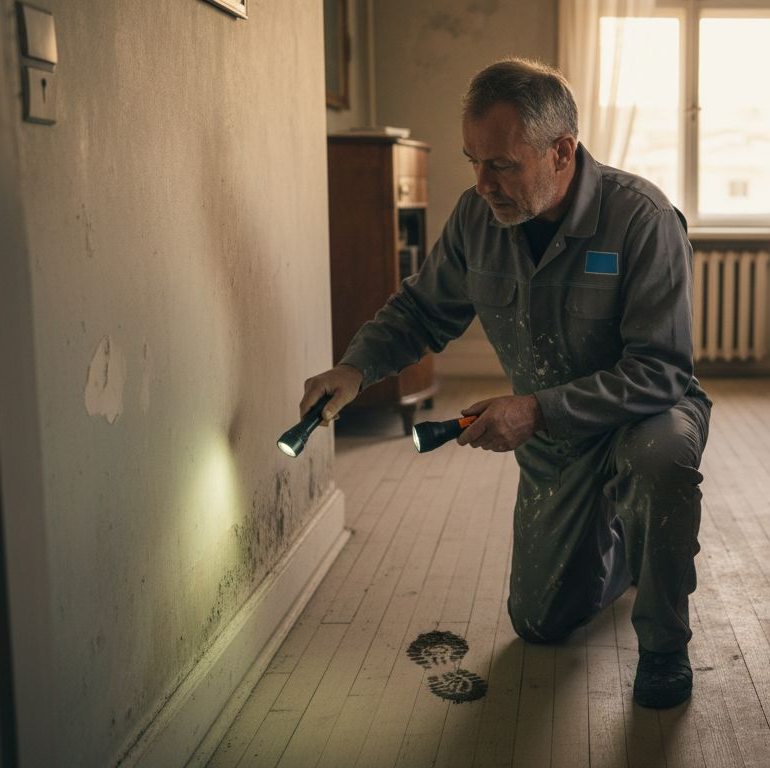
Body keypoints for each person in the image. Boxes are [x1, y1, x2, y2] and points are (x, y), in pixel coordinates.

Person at [299, 58, 710, 709]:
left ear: (562, 151)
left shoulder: (642, 220)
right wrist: (355, 368)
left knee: (656, 462)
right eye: (473, 162)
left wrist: (536, 411)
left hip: (645, 414)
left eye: (501, 165)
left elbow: (661, 371)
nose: (483, 183)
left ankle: (664, 646)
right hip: (554, 439)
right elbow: (421, 310)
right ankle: (630, 551)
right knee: (539, 623)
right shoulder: (475, 220)